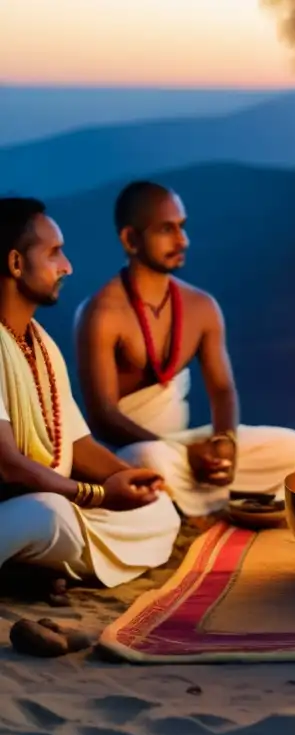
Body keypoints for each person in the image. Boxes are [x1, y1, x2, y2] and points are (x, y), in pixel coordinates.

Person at [74, 181, 295, 518]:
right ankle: (209, 499)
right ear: (130, 239)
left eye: (182, 228)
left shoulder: (201, 306)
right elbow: (102, 417)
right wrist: (182, 452)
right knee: (149, 461)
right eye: (166, 229)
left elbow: (221, 389)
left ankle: (196, 497)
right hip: (132, 450)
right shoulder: (101, 313)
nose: (182, 240)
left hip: (186, 446)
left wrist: (224, 444)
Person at [0, 197, 180, 590]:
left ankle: (26, 565)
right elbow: (8, 465)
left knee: (160, 508)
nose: (67, 266)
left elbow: (77, 444)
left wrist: (129, 479)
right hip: (23, 509)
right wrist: (98, 495)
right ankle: (22, 563)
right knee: (47, 514)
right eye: (54, 253)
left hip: (55, 503)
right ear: (15, 264)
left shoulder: (42, 346)